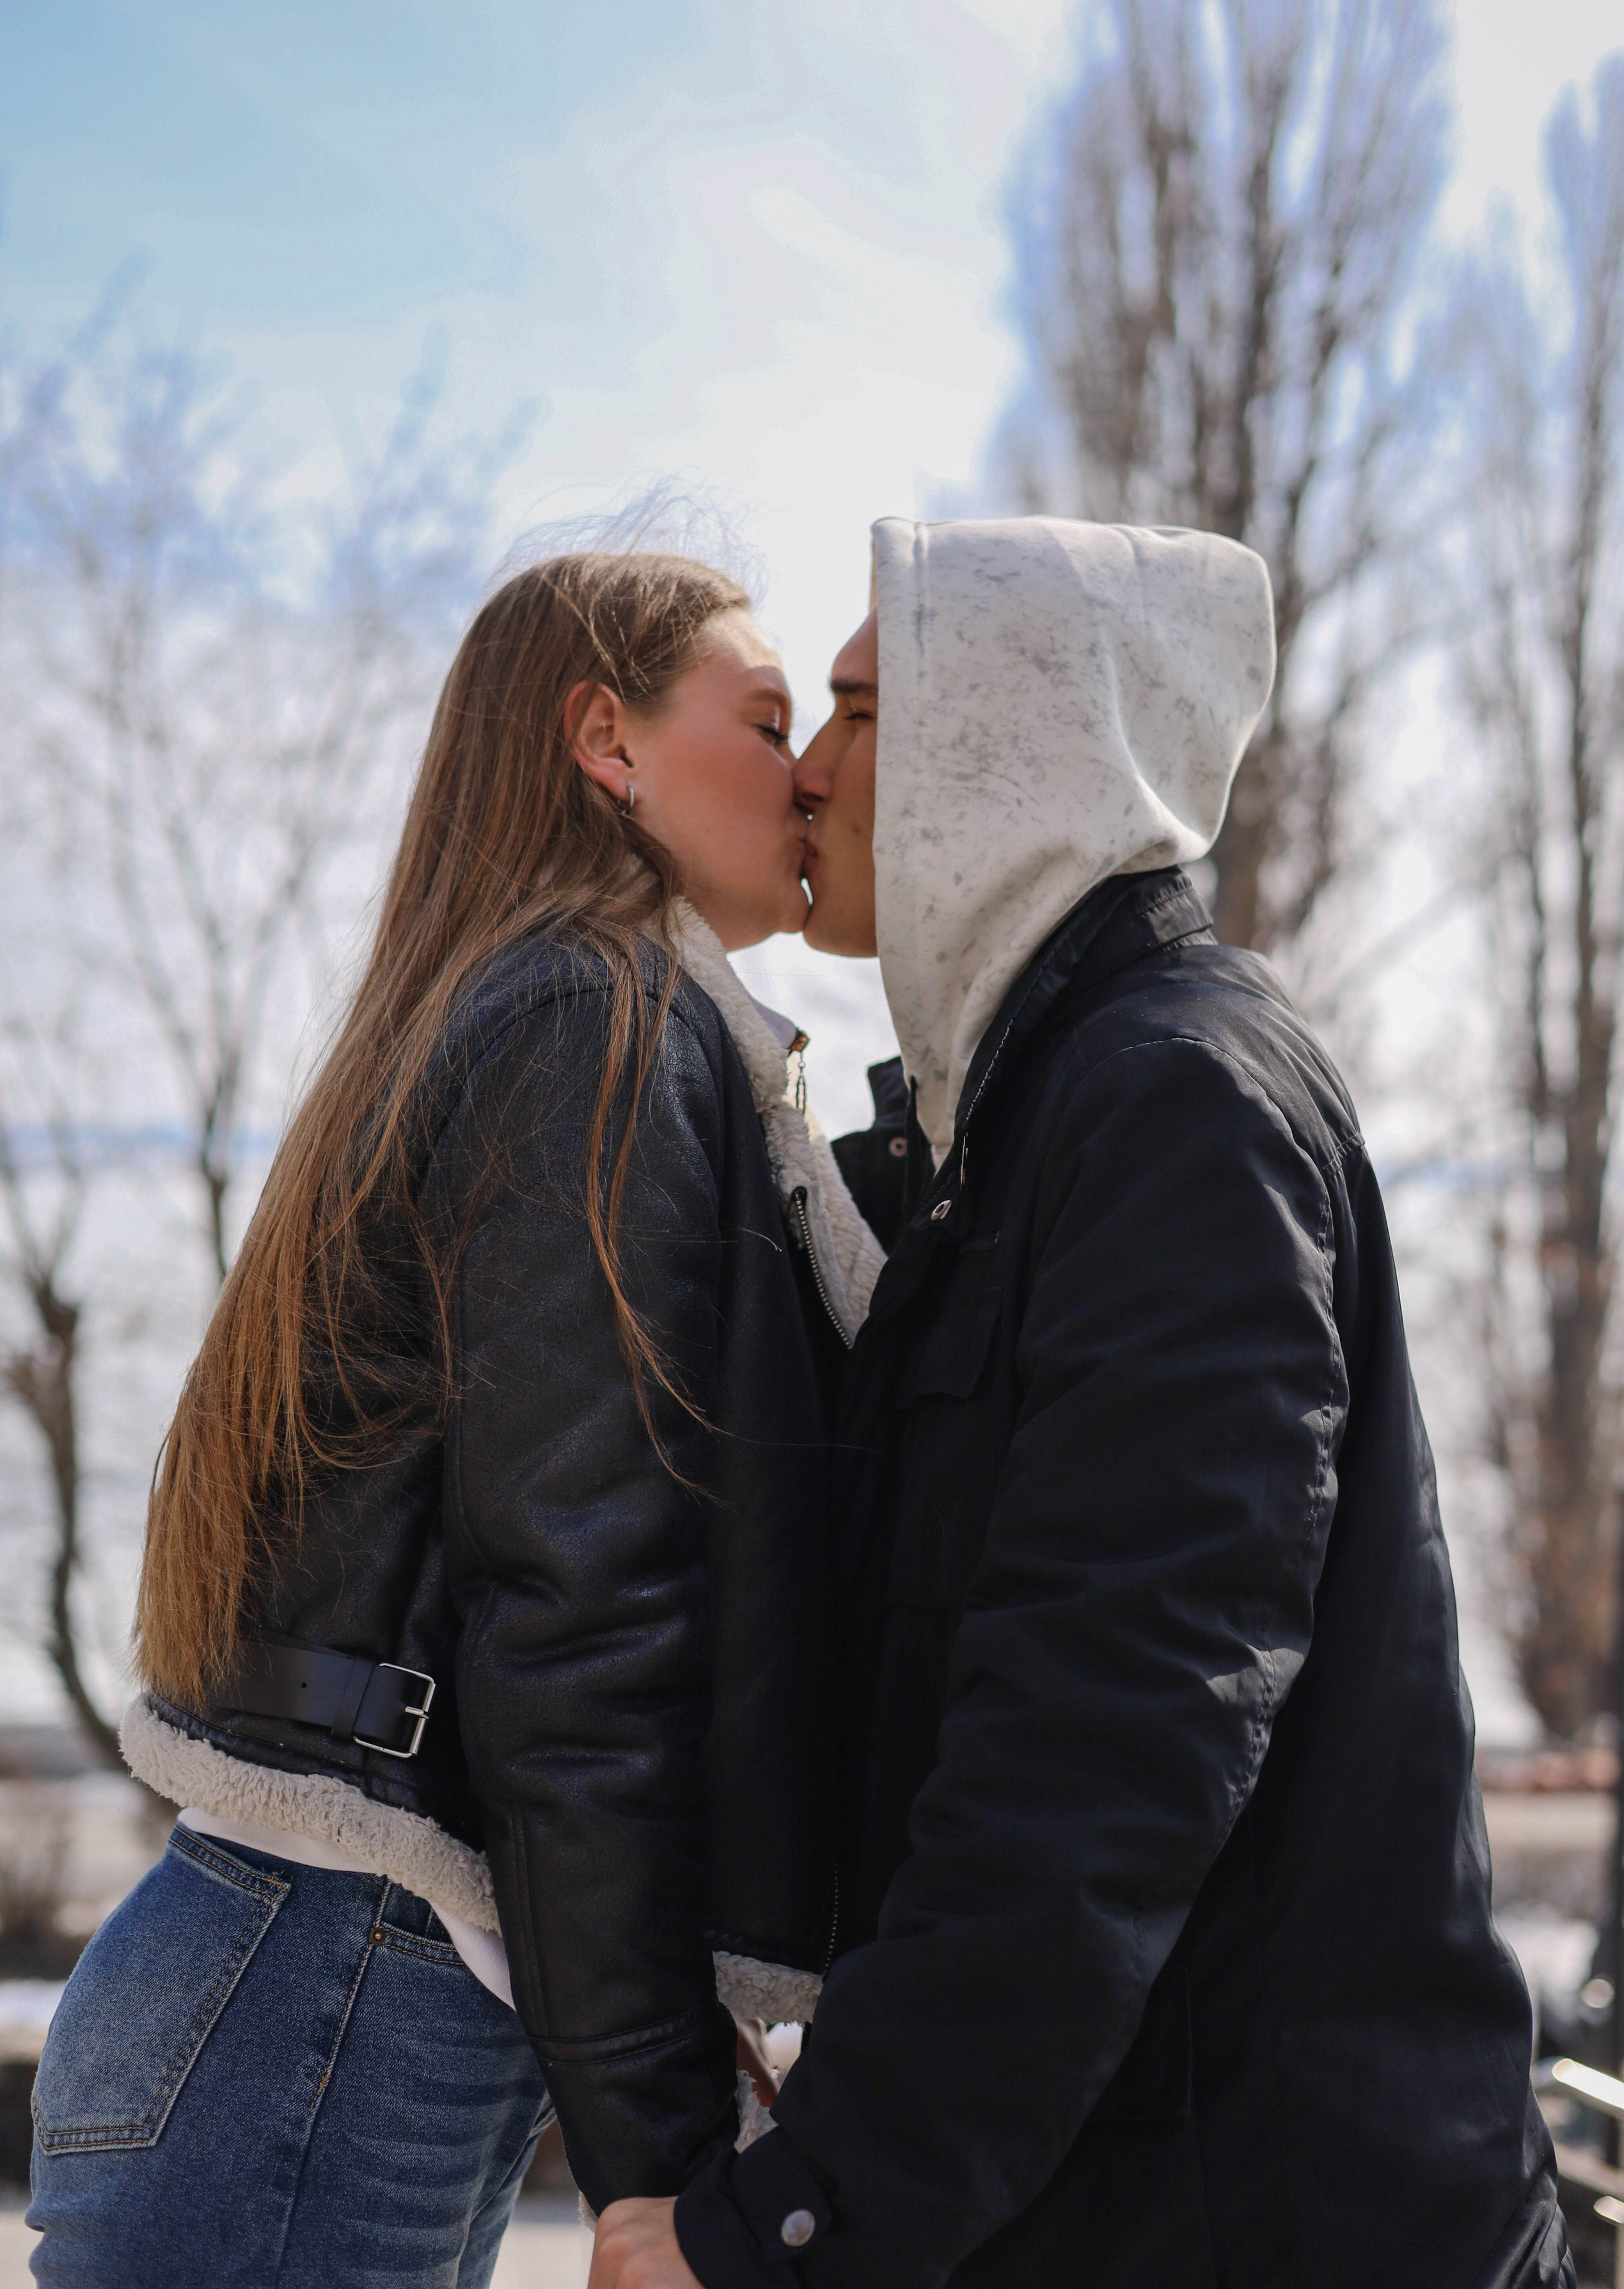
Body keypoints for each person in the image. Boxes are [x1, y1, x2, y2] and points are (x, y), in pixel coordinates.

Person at [594, 517, 1571, 2289]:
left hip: (1274, 2227)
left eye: (861, 711)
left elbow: (1108, 1734)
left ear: (1010, 743)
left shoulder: (1170, 1107)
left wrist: (798, 2221)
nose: (810, 772)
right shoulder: (1036, 1123)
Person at [28, 550, 883, 2288]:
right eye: (769, 718)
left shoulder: (543, 1007)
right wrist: (654, 2150)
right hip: (325, 1997)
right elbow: (581, 1606)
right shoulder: (594, 1022)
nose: (806, 773)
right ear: (605, 741)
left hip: (304, 1981)